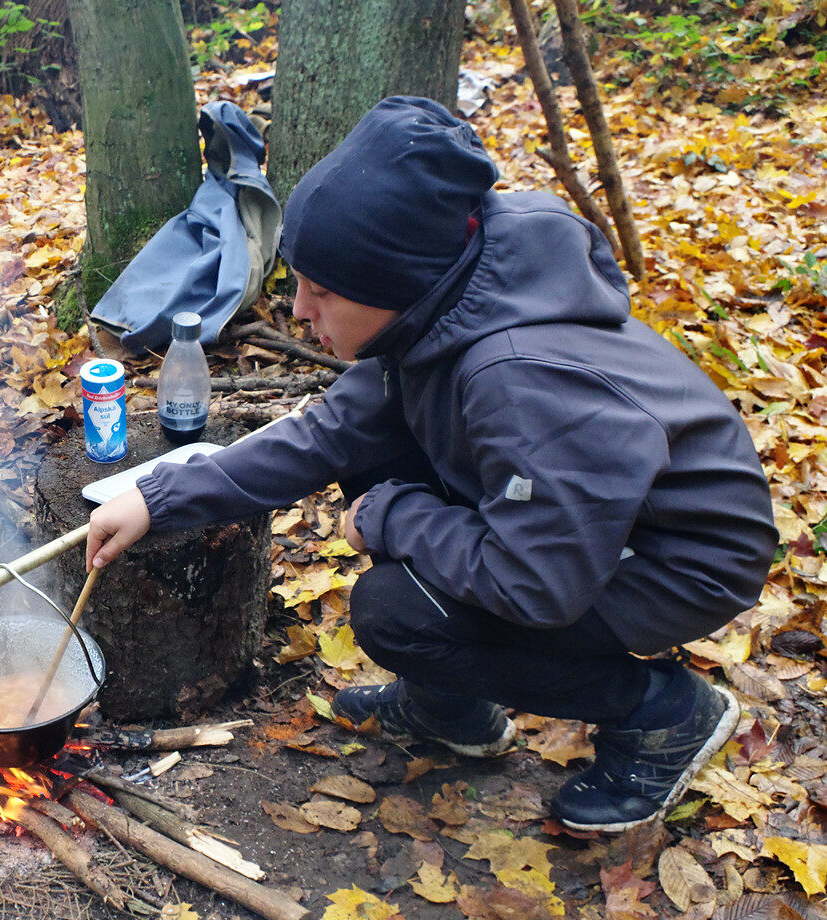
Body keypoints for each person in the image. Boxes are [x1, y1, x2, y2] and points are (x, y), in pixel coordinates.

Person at [85, 96, 775, 833]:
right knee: (377, 453)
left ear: (395, 284)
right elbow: (330, 431)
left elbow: (538, 583)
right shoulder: (449, 295)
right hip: (574, 514)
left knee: (397, 613)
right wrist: (159, 495)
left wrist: (394, 516)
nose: (299, 313)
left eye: (322, 292)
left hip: (678, 555)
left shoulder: (518, 379)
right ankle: (451, 710)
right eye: (299, 282)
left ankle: (664, 714)